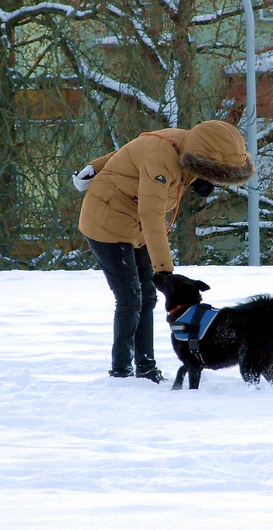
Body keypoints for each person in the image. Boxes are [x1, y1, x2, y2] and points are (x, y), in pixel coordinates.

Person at [74, 120, 254, 382]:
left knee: (147, 297)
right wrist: (164, 271)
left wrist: (196, 179)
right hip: (106, 221)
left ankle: (146, 368)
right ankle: (121, 372)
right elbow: (151, 214)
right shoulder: (163, 157)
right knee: (130, 299)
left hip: (136, 225)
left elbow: (130, 151)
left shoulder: (184, 144)